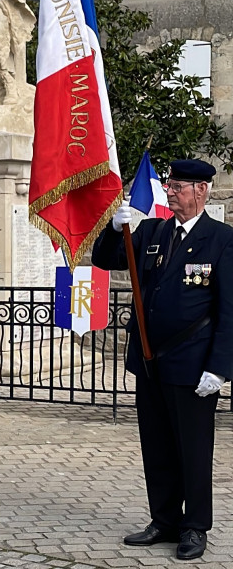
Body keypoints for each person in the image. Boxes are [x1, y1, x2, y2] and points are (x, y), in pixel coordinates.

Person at [92, 158, 233, 561]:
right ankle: (165, 519)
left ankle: (194, 526)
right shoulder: (153, 231)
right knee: (157, 447)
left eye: (178, 186)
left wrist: (220, 368)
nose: (169, 191)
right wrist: (114, 227)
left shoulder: (221, 239)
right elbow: (107, 260)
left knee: (192, 449)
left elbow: (229, 310)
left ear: (201, 191)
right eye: (169, 185)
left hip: (193, 364)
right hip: (151, 361)